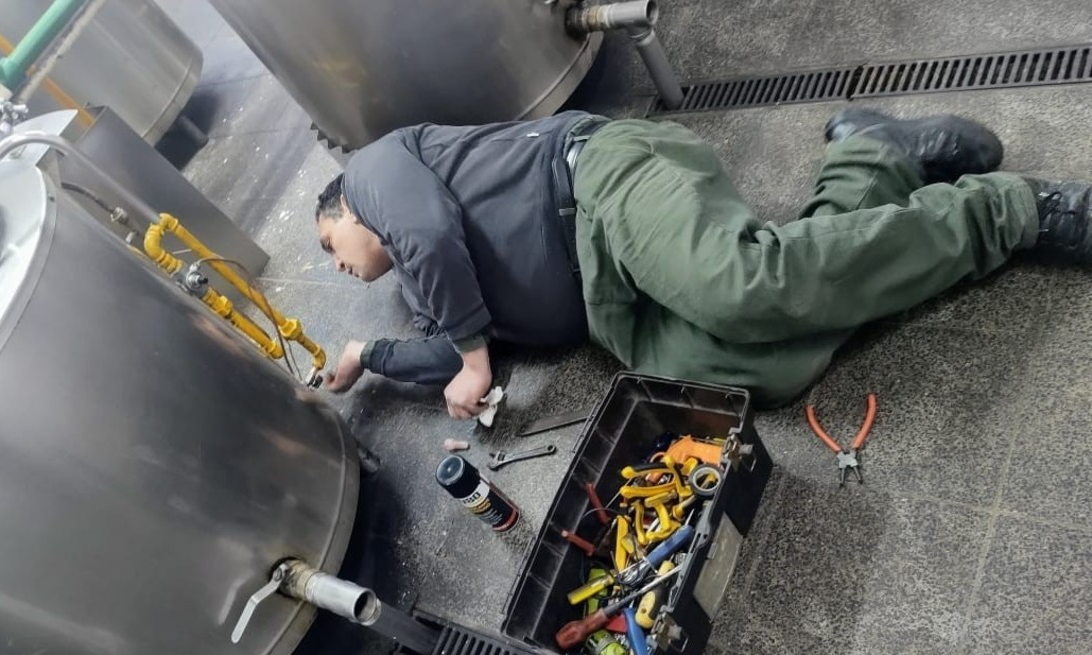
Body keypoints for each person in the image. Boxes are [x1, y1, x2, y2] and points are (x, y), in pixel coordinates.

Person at [314, 108, 1092, 415]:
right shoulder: (424, 291)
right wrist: (367, 353)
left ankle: (1012, 212)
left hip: (593, 185)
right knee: (763, 368)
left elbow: (428, 232)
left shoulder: (372, 171)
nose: (337, 266)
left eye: (327, 246)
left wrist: (473, 358)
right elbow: (446, 349)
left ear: (342, 210)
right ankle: (871, 155)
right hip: (610, 310)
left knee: (742, 289)